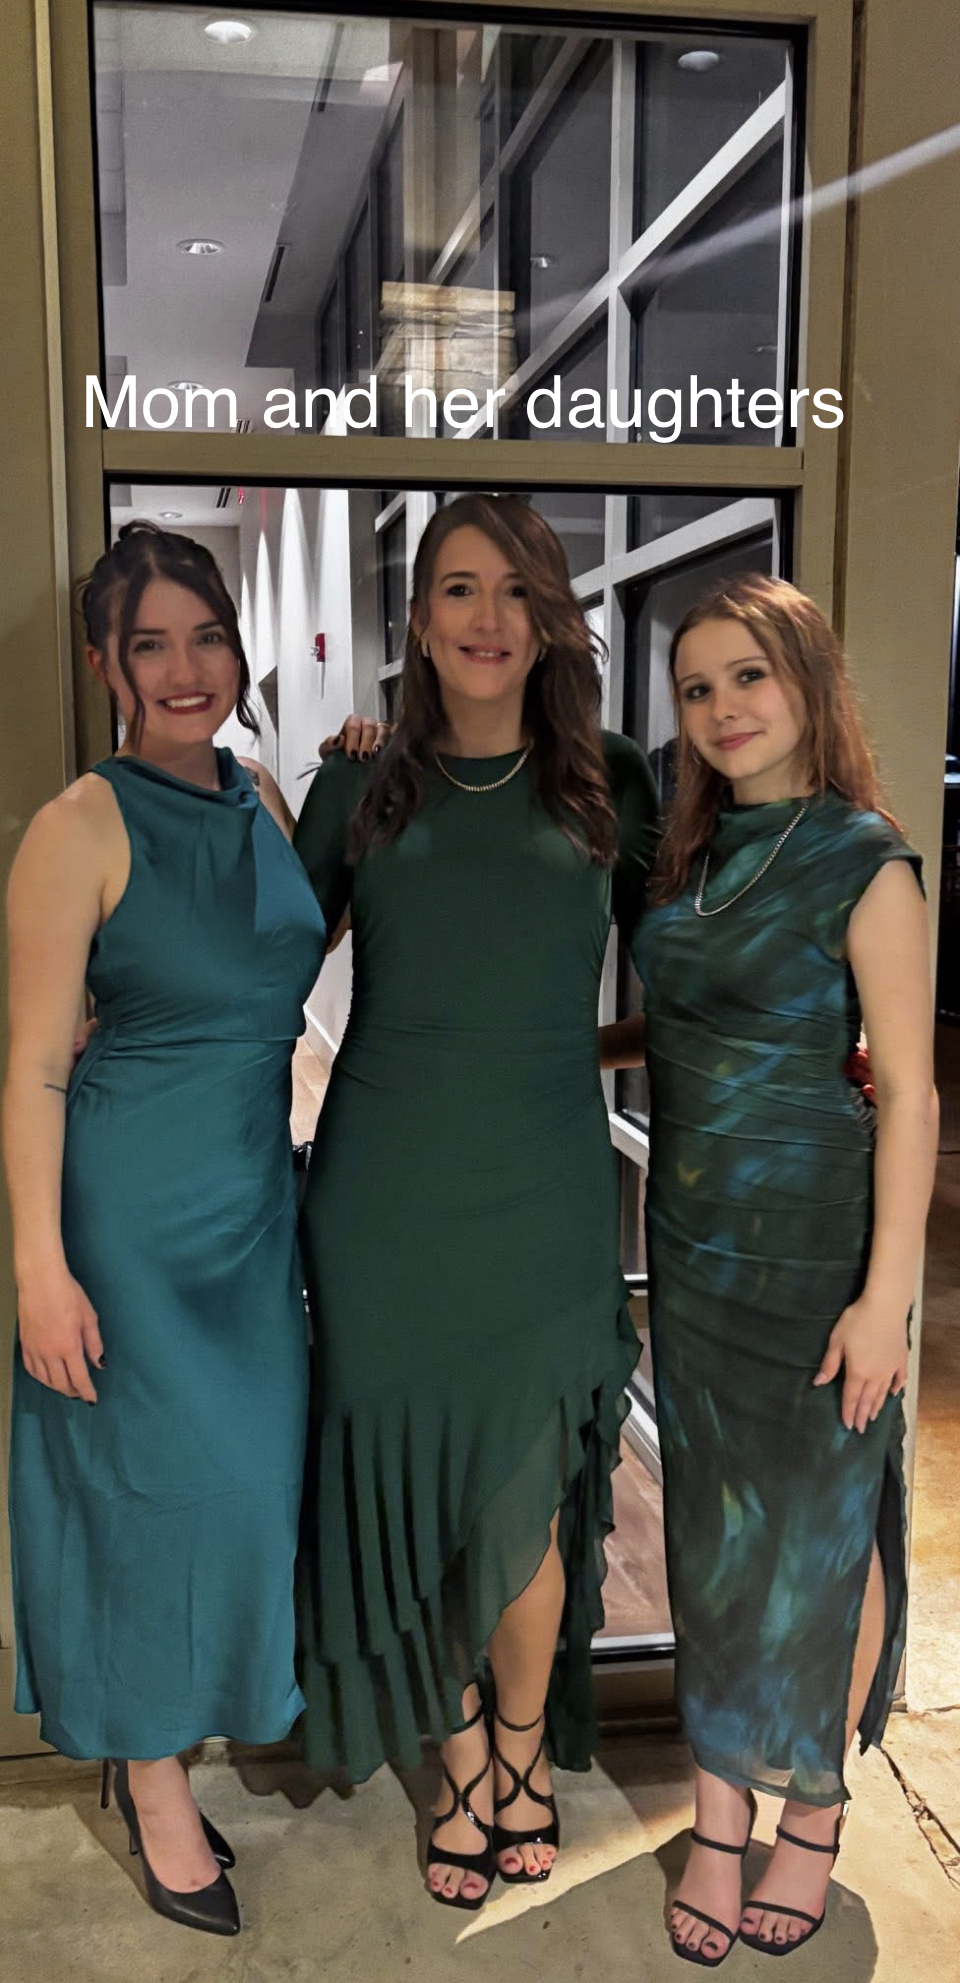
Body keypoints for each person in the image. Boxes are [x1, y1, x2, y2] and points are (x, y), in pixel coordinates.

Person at [293, 493, 659, 1909]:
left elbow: (690, 973)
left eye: (516, 590)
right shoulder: (361, 787)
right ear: (420, 618)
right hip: (386, 1198)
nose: (488, 618)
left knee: (526, 1497)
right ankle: (459, 1765)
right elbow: (262, 972)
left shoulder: (608, 783)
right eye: (458, 588)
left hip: (545, 1190)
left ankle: (518, 1751)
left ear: (553, 616)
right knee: (411, 1494)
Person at [3, 522, 326, 1937]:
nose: (186, 668)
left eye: (207, 636)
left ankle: (180, 1734)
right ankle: (151, 1779)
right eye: (151, 644)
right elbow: (31, 1066)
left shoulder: (265, 795)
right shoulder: (76, 826)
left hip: (253, 1209)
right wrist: (40, 1265)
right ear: (106, 666)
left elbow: (280, 964)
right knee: (138, 1502)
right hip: (126, 1219)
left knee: (240, 1496)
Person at [612, 575, 936, 1965]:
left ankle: (813, 1815)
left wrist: (885, 1302)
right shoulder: (690, 856)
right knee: (713, 1537)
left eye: (748, 675)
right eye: (697, 688)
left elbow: (911, 1095)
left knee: (814, 1540)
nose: (722, 708)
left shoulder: (864, 858)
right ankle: (720, 1807)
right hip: (694, 1264)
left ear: (807, 677)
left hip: (817, 1260)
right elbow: (687, 1020)